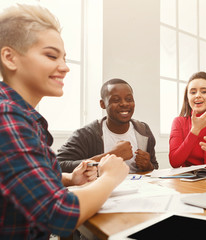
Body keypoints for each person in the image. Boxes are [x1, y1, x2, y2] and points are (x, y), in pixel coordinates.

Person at [0, 4, 129, 239]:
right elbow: (58, 213)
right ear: (10, 57)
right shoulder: (7, 117)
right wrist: (110, 177)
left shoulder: (21, 116)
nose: (65, 67)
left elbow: (22, 174)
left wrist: (70, 179)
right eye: (51, 55)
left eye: (64, 57)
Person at [57, 78, 158, 173]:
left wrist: (148, 166)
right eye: (116, 100)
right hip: (101, 190)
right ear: (102, 104)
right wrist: (112, 155)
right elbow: (58, 166)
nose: (124, 104)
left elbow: (154, 167)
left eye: (129, 99)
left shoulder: (143, 131)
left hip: (140, 189)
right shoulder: (86, 134)